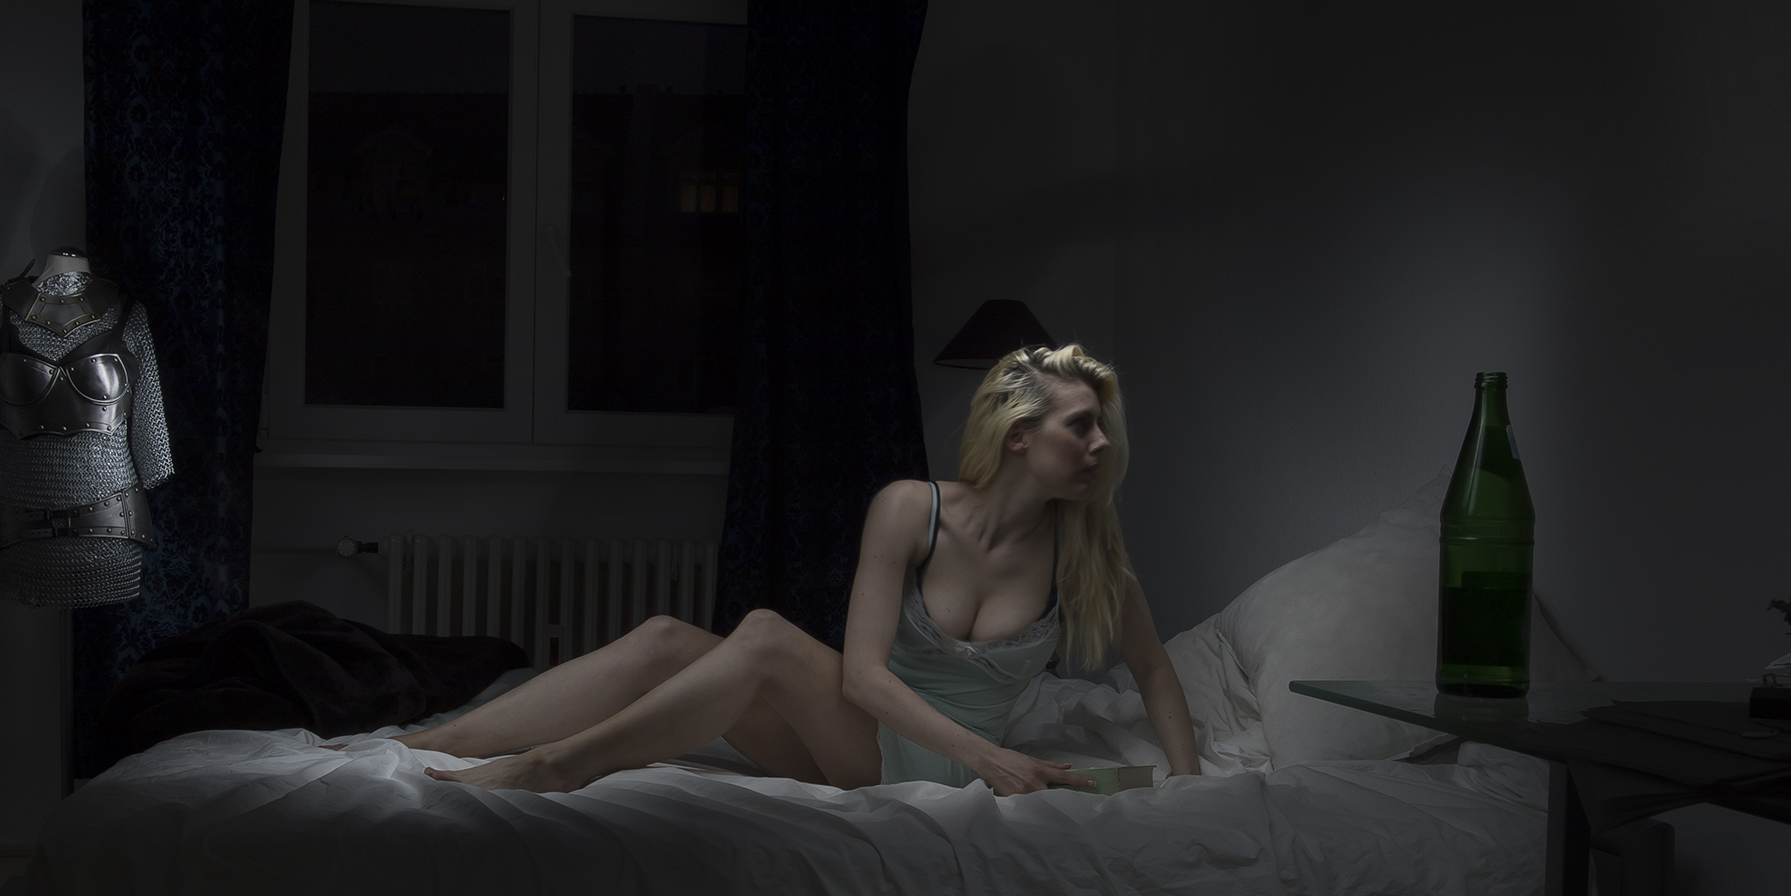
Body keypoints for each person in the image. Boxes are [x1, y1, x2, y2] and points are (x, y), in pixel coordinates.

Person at [396, 344, 1203, 795]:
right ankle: (430, 739)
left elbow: (1155, 671)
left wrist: (1191, 781)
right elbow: (862, 677)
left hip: (941, 764)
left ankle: (556, 765)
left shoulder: (1087, 556)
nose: (1101, 444)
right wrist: (994, 757)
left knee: (765, 636)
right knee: (668, 637)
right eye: (1081, 426)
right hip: (862, 733)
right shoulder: (910, 508)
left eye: (1101, 428)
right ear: (1018, 435)